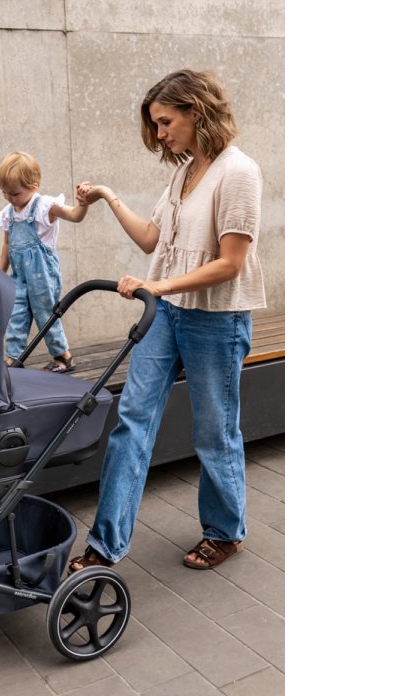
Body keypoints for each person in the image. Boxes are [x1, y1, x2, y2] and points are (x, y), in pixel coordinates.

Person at [69, 69, 266, 572]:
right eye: (155, 125)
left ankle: (225, 531)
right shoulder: (183, 173)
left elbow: (230, 263)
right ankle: (105, 546)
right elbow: (151, 240)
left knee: (214, 432)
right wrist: (108, 196)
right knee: (131, 421)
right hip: (166, 315)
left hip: (215, 320)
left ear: (195, 112)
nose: (159, 135)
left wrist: (158, 286)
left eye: (165, 122)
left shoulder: (238, 172)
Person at [0, 151, 89, 372]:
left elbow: (75, 216)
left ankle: (63, 356)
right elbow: (7, 244)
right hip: (19, 277)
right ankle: (14, 358)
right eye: (4, 193)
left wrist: (83, 203)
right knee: (15, 314)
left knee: (46, 314)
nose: (9, 198)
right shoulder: (8, 213)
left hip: (43, 275)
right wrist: (0, 273)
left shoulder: (44, 206)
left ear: (33, 186)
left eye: (14, 193)